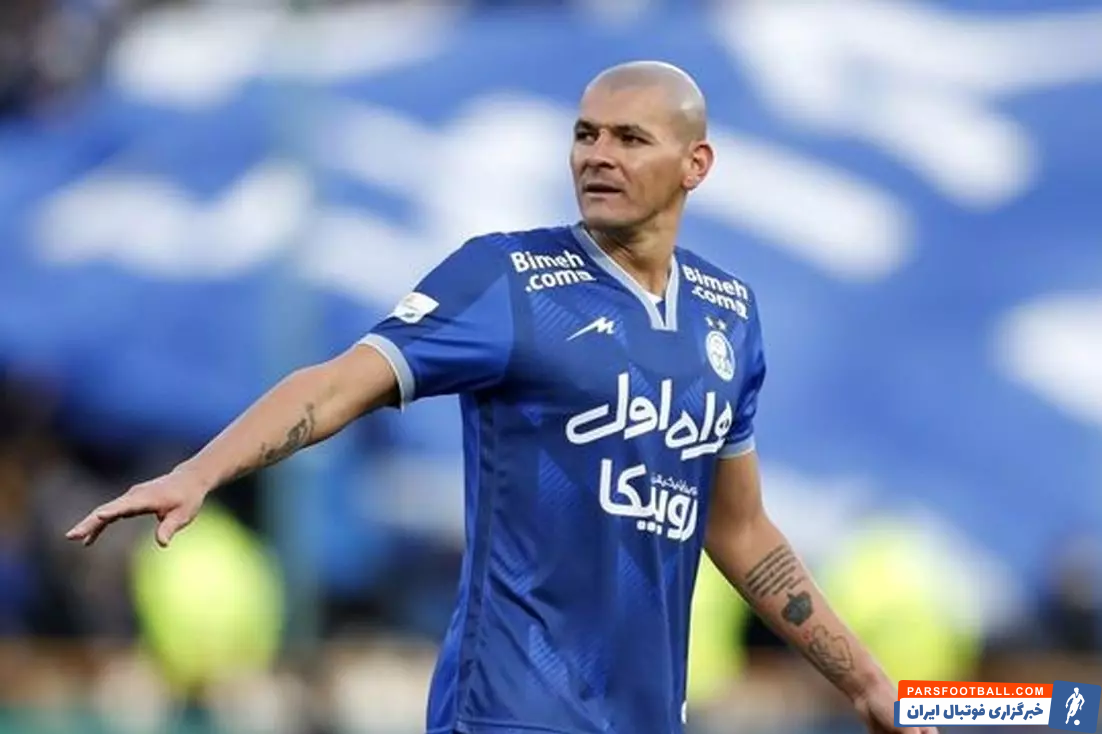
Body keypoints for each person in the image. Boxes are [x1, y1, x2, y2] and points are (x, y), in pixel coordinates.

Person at [67, 61, 935, 734]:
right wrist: (200, 471)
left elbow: (739, 528)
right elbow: (335, 384)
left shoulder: (729, 314)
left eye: (630, 139)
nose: (598, 155)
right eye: (585, 135)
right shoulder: (509, 280)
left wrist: (865, 682)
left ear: (694, 164)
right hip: (511, 710)